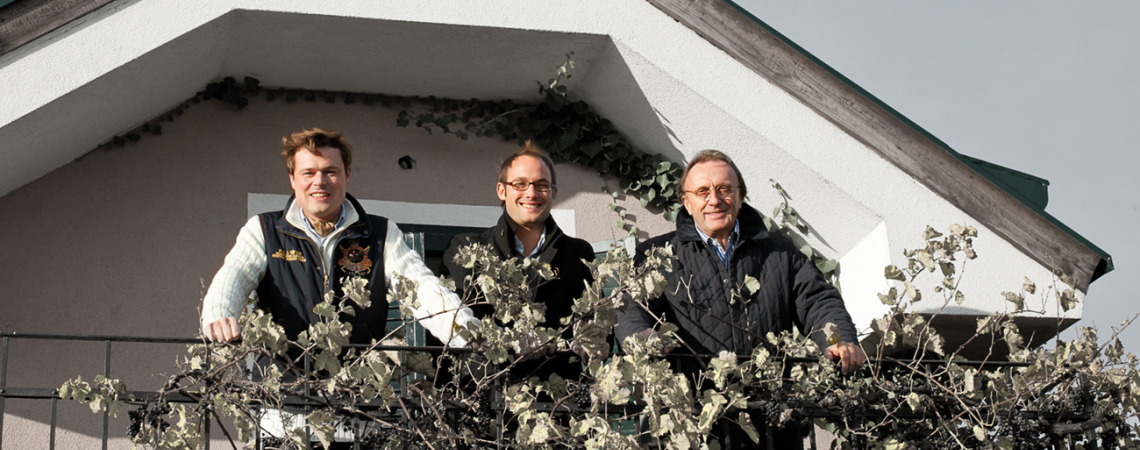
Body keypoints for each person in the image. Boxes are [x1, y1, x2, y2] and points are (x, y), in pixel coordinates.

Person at [200, 128, 478, 446]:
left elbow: (424, 289)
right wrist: (220, 314)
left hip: (357, 403)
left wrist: (469, 333)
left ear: (346, 175)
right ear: (293, 179)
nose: (319, 182)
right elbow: (232, 277)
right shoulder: (263, 230)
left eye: (330, 171)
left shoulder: (381, 234)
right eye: (309, 172)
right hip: (281, 405)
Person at [615, 149, 865, 449]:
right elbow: (630, 308)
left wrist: (838, 339)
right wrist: (641, 335)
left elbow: (817, 300)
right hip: (693, 425)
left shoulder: (779, 251)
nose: (715, 200)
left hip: (771, 426)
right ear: (687, 201)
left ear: (740, 195)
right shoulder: (657, 255)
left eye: (724, 189)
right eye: (703, 191)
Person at [439, 141, 598, 382]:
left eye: (541, 185)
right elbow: (462, 322)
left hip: (556, 402)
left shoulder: (578, 254)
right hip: (483, 394)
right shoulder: (466, 249)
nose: (531, 193)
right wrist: (513, 340)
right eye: (520, 184)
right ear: (502, 191)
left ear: (553, 193)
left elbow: (590, 320)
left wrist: (594, 339)